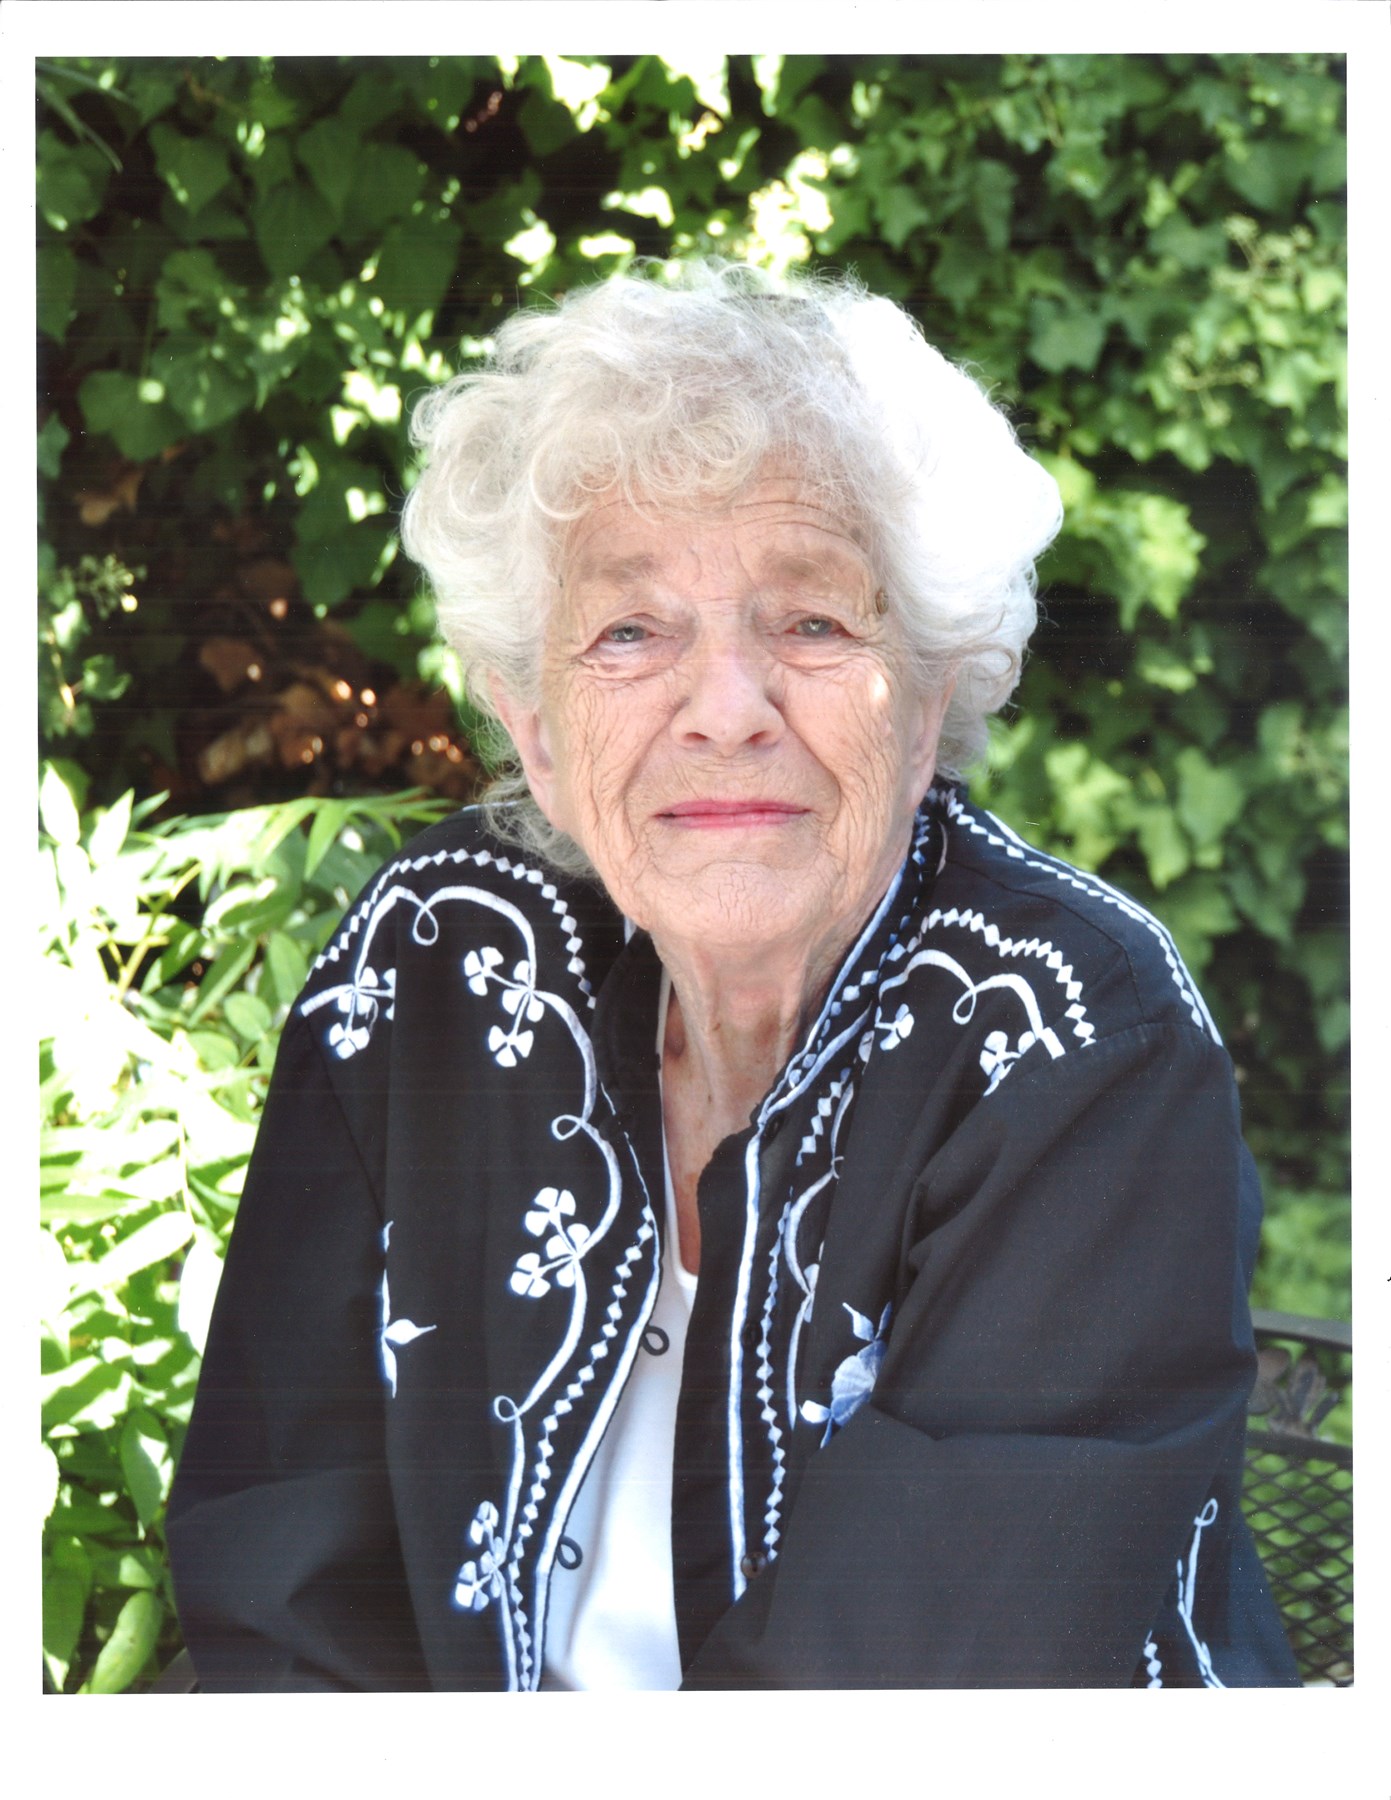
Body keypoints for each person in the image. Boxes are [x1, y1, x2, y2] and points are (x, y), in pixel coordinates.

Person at [166, 260, 1298, 1690]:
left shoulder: (1072, 1034)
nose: (724, 710)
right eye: (631, 632)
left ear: (930, 697)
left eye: (811, 623)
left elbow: (917, 1696)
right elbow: (281, 1560)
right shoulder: (434, 960)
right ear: (535, 728)